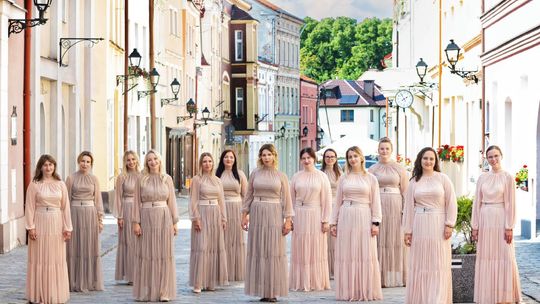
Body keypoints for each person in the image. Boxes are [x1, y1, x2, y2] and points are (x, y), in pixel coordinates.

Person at [403, 147, 457, 304]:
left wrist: (449, 224)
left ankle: (437, 299)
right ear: (420, 160)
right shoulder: (413, 182)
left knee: (438, 262)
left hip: (438, 223)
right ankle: (421, 299)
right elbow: (408, 208)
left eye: (431, 159)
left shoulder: (443, 179)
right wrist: (408, 231)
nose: (428, 161)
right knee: (421, 262)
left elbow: (451, 202)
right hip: (419, 223)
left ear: (436, 161)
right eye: (425, 158)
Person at [241, 144, 294, 302]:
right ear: (260, 157)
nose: (266, 157)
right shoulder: (254, 173)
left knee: (272, 251)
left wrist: (288, 221)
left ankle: (272, 290)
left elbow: (287, 200)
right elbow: (248, 195)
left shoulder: (281, 176)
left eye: (269, 154)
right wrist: (244, 215)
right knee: (258, 250)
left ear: (274, 156)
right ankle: (261, 289)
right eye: (263, 155)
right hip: (257, 213)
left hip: (274, 213)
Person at [330, 146, 383, 301]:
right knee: (347, 253)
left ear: (361, 157)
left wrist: (376, 222)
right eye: (350, 157)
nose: (352, 159)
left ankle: (364, 289)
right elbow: (337, 202)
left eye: (355, 156)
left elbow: (376, 202)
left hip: (364, 215)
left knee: (365, 253)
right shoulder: (343, 178)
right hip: (346, 215)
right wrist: (333, 222)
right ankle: (348, 290)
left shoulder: (371, 178)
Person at [471, 145, 522, 304]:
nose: (493, 159)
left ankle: (504, 296)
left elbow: (511, 204)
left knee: (504, 256)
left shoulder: (507, 177)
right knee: (487, 257)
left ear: (501, 156)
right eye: (490, 157)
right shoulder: (482, 178)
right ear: (486, 159)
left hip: (501, 220)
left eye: (496, 156)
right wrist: (475, 226)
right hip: (485, 220)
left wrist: (509, 226)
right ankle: (488, 296)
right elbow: (477, 202)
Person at [132, 149, 178, 302]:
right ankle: (147, 290)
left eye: (155, 159)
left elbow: (172, 202)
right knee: (147, 254)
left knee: (163, 254)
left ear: (160, 161)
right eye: (150, 159)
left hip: (164, 217)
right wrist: (136, 222)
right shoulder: (141, 179)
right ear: (146, 163)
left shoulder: (167, 179)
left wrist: (174, 222)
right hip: (146, 217)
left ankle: (164, 291)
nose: (153, 162)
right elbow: (136, 202)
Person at [25, 154, 72, 304]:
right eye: (45, 165)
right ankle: (39, 293)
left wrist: (67, 227)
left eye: (51, 164)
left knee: (55, 258)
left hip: (56, 223)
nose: (48, 167)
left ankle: (54, 293)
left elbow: (65, 208)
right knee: (40, 258)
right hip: (39, 222)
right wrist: (30, 227)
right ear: (40, 167)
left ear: (54, 166)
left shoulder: (60, 184)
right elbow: (30, 207)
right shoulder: (34, 184)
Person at [289, 147, 332, 291]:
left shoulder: (321, 176)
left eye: (309, 158)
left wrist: (326, 220)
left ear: (314, 158)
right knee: (300, 247)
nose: (306, 161)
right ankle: (300, 281)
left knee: (316, 247)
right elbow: (291, 199)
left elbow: (326, 199)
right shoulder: (296, 176)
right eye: (304, 158)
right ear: (300, 160)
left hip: (315, 214)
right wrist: (290, 218)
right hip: (300, 214)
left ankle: (315, 280)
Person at [368, 137, 409, 287]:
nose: (384, 151)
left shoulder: (400, 168)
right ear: (378, 150)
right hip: (379, 205)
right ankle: (380, 276)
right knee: (380, 241)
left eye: (387, 149)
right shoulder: (372, 170)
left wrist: (405, 211)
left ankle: (398, 276)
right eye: (382, 148)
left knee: (395, 240)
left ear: (391, 151)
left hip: (395, 205)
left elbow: (405, 191)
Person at [189, 152, 228, 293]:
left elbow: (222, 200)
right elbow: (193, 200)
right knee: (202, 247)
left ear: (213, 163)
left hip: (215, 213)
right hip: (203, 213)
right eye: (204, 161)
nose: (207, 164)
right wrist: (196, 218)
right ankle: (198, 283)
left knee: (213, 247)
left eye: (210, 161)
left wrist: (224, 218)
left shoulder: (218, 180)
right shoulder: (197, 179)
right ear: (201, 163)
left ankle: (210, 281)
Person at [66, 151, 104, 292]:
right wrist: (66, 220)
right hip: (75, 212)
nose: (85, 164)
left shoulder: (94, 179)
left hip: (90, 214)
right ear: (78, 161)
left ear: (91, 164)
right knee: (74, 247)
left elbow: (98, 200)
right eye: (83, 161)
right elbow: (66, 201)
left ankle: (89, 281)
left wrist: (100, 219)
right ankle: (73, 280)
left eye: (88, 162)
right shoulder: (70, 178)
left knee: (89, 246)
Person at [216, 149, 248, 282]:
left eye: (231, 157)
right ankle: (223, 270)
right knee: (222, 239)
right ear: (222, 159)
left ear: (234, 160)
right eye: (226, 157)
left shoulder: (240, 175)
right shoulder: (217, 175)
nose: (229, 159)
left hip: (237, 208)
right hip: (220, 209)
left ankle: (235, 271)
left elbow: (246, 195)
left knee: (236, 240)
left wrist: (245, 215)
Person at [113, 150, 141, 284]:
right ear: (125, 162)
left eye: (133, 159)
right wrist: (119, 216)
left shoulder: (143, 176)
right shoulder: (121, 177)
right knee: (128, 242)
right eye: (128, 160)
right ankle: (130, 274)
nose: (131, 162)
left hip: (141, 210)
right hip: (127, 209)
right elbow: (118, 197)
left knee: (139, 242)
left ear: (137, 160)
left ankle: (140, 272)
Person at [321, 148, 342, 278]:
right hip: (324, 206)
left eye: (332, 156)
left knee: (336, 237)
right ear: (324, 159)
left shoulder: (341, 173)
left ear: (336, 158)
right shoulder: (320, 173)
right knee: (326, 238)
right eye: (327, 157)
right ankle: (326, 268)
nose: (330, 159)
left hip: (337, 206)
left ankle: (336, 267)